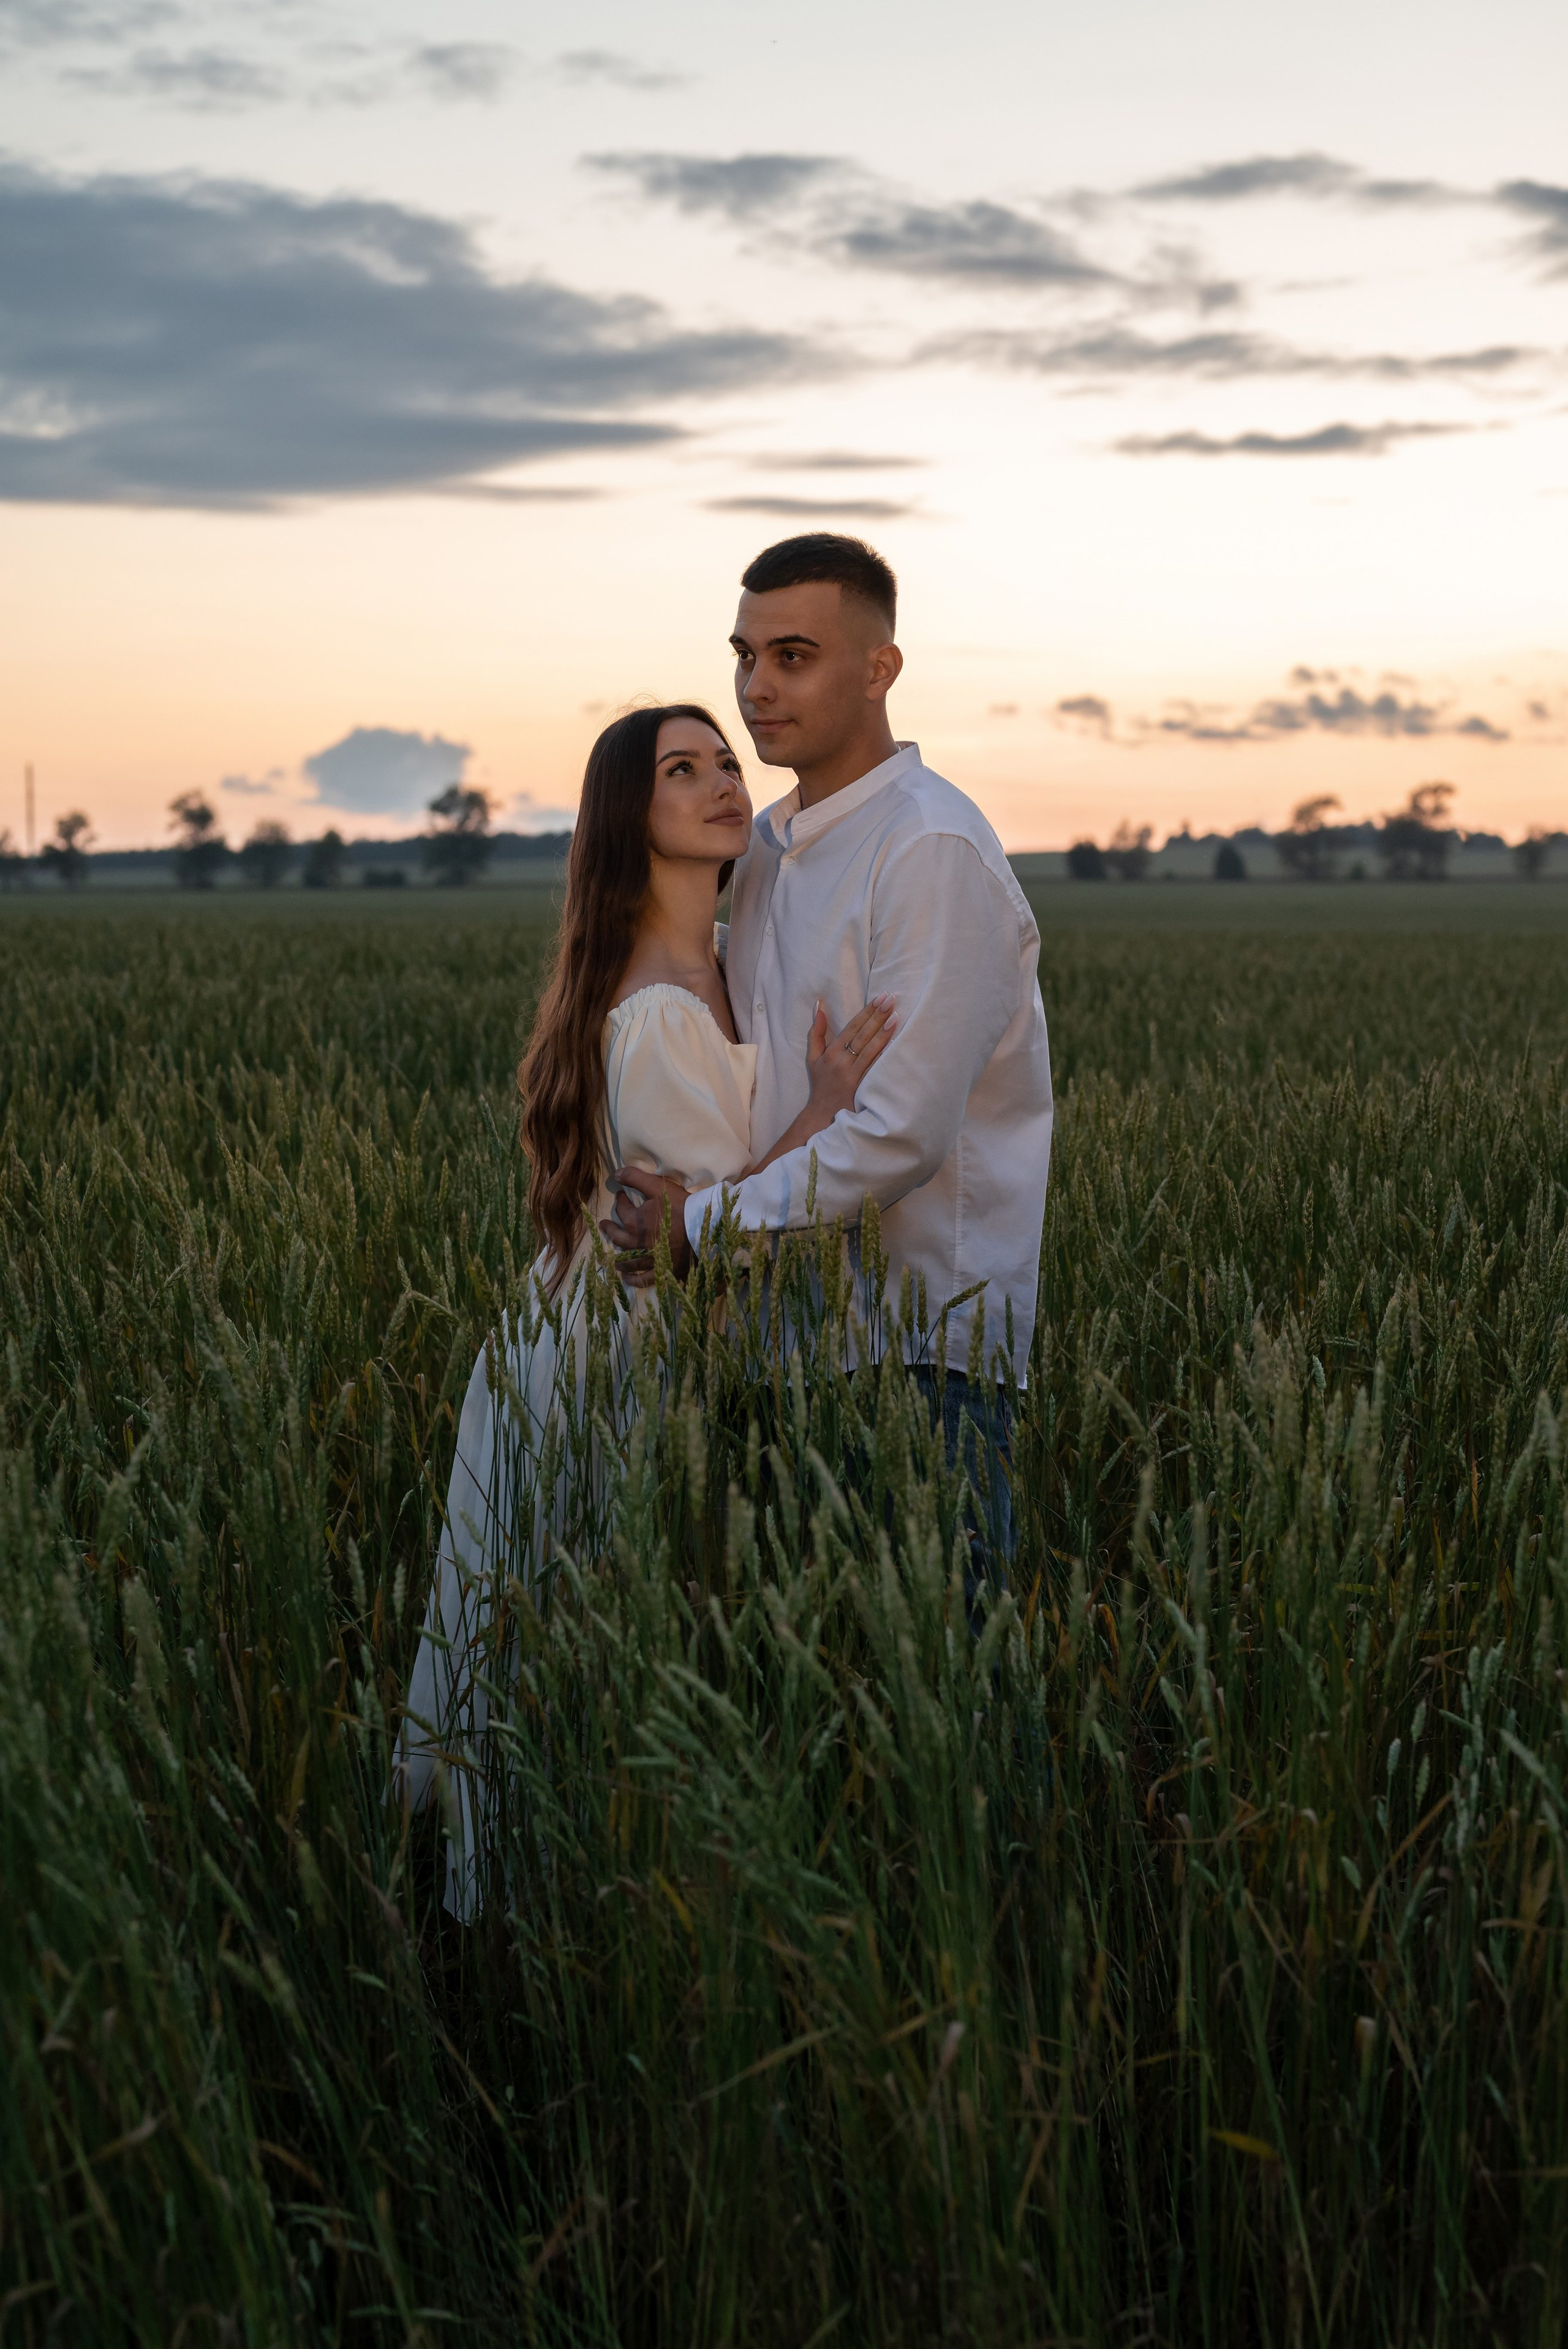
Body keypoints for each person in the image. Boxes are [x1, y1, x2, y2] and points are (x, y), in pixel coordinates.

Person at [397, 701, 894, 1914]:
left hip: (635, 1331)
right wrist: (828, 1111)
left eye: (725, 760)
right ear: (633, 815)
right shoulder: (662, 1009)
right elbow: (701, 1236)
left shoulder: (725, 967)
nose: (723, 782)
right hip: (617, 1354)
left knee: (615, 1630)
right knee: (586, 1624)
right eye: (684, 770)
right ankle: (559, 1917)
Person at [600, 535, 1054, 1560]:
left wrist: (702, 1227)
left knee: (946, 1695)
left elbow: (899, 1138)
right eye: (744, 656)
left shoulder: (929, 849)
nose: (756, 688)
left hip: (922, 1352)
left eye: (792, 657)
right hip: (774, 1350)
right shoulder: (762, 848)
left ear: (880, 669)